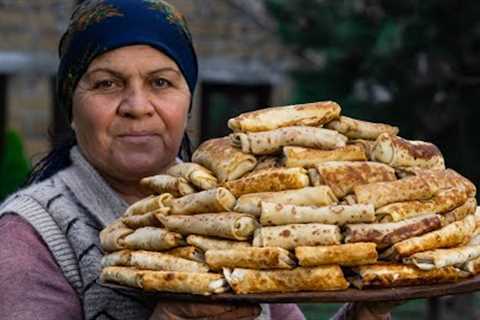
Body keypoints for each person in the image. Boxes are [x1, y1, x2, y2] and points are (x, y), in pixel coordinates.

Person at [0, 1, 393, 319]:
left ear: (187, 103)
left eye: (160, 82)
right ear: (71, 108)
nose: (137, 107)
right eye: (107, 83)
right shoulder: (28, 238)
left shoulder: (240, 207)